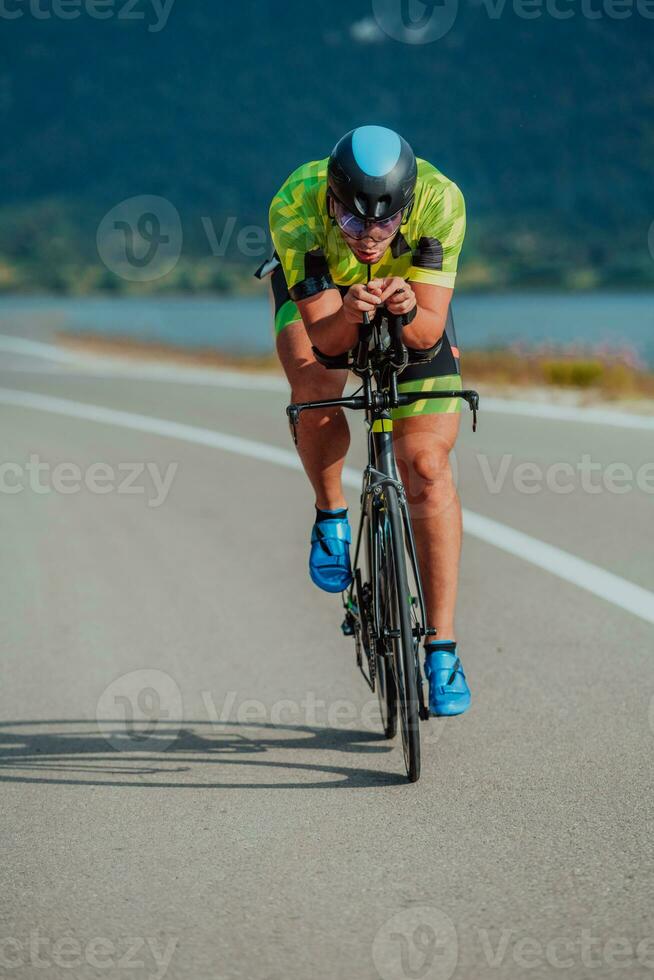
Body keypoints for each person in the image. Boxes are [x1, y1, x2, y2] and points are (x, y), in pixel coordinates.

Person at [263, 125, 470, 717]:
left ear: (407, 207)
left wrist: (405, 310)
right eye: (353, 223)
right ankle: (331, 514)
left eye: (384, 224)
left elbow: (429, 332)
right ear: (332, 200)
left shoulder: (440, 201)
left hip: (411, 301)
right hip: (327, 299)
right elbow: (327, 343)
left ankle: (442, 648)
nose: (369, 240)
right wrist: (350, 314)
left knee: (426, 465)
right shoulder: (296, 204)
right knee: (312, 378)